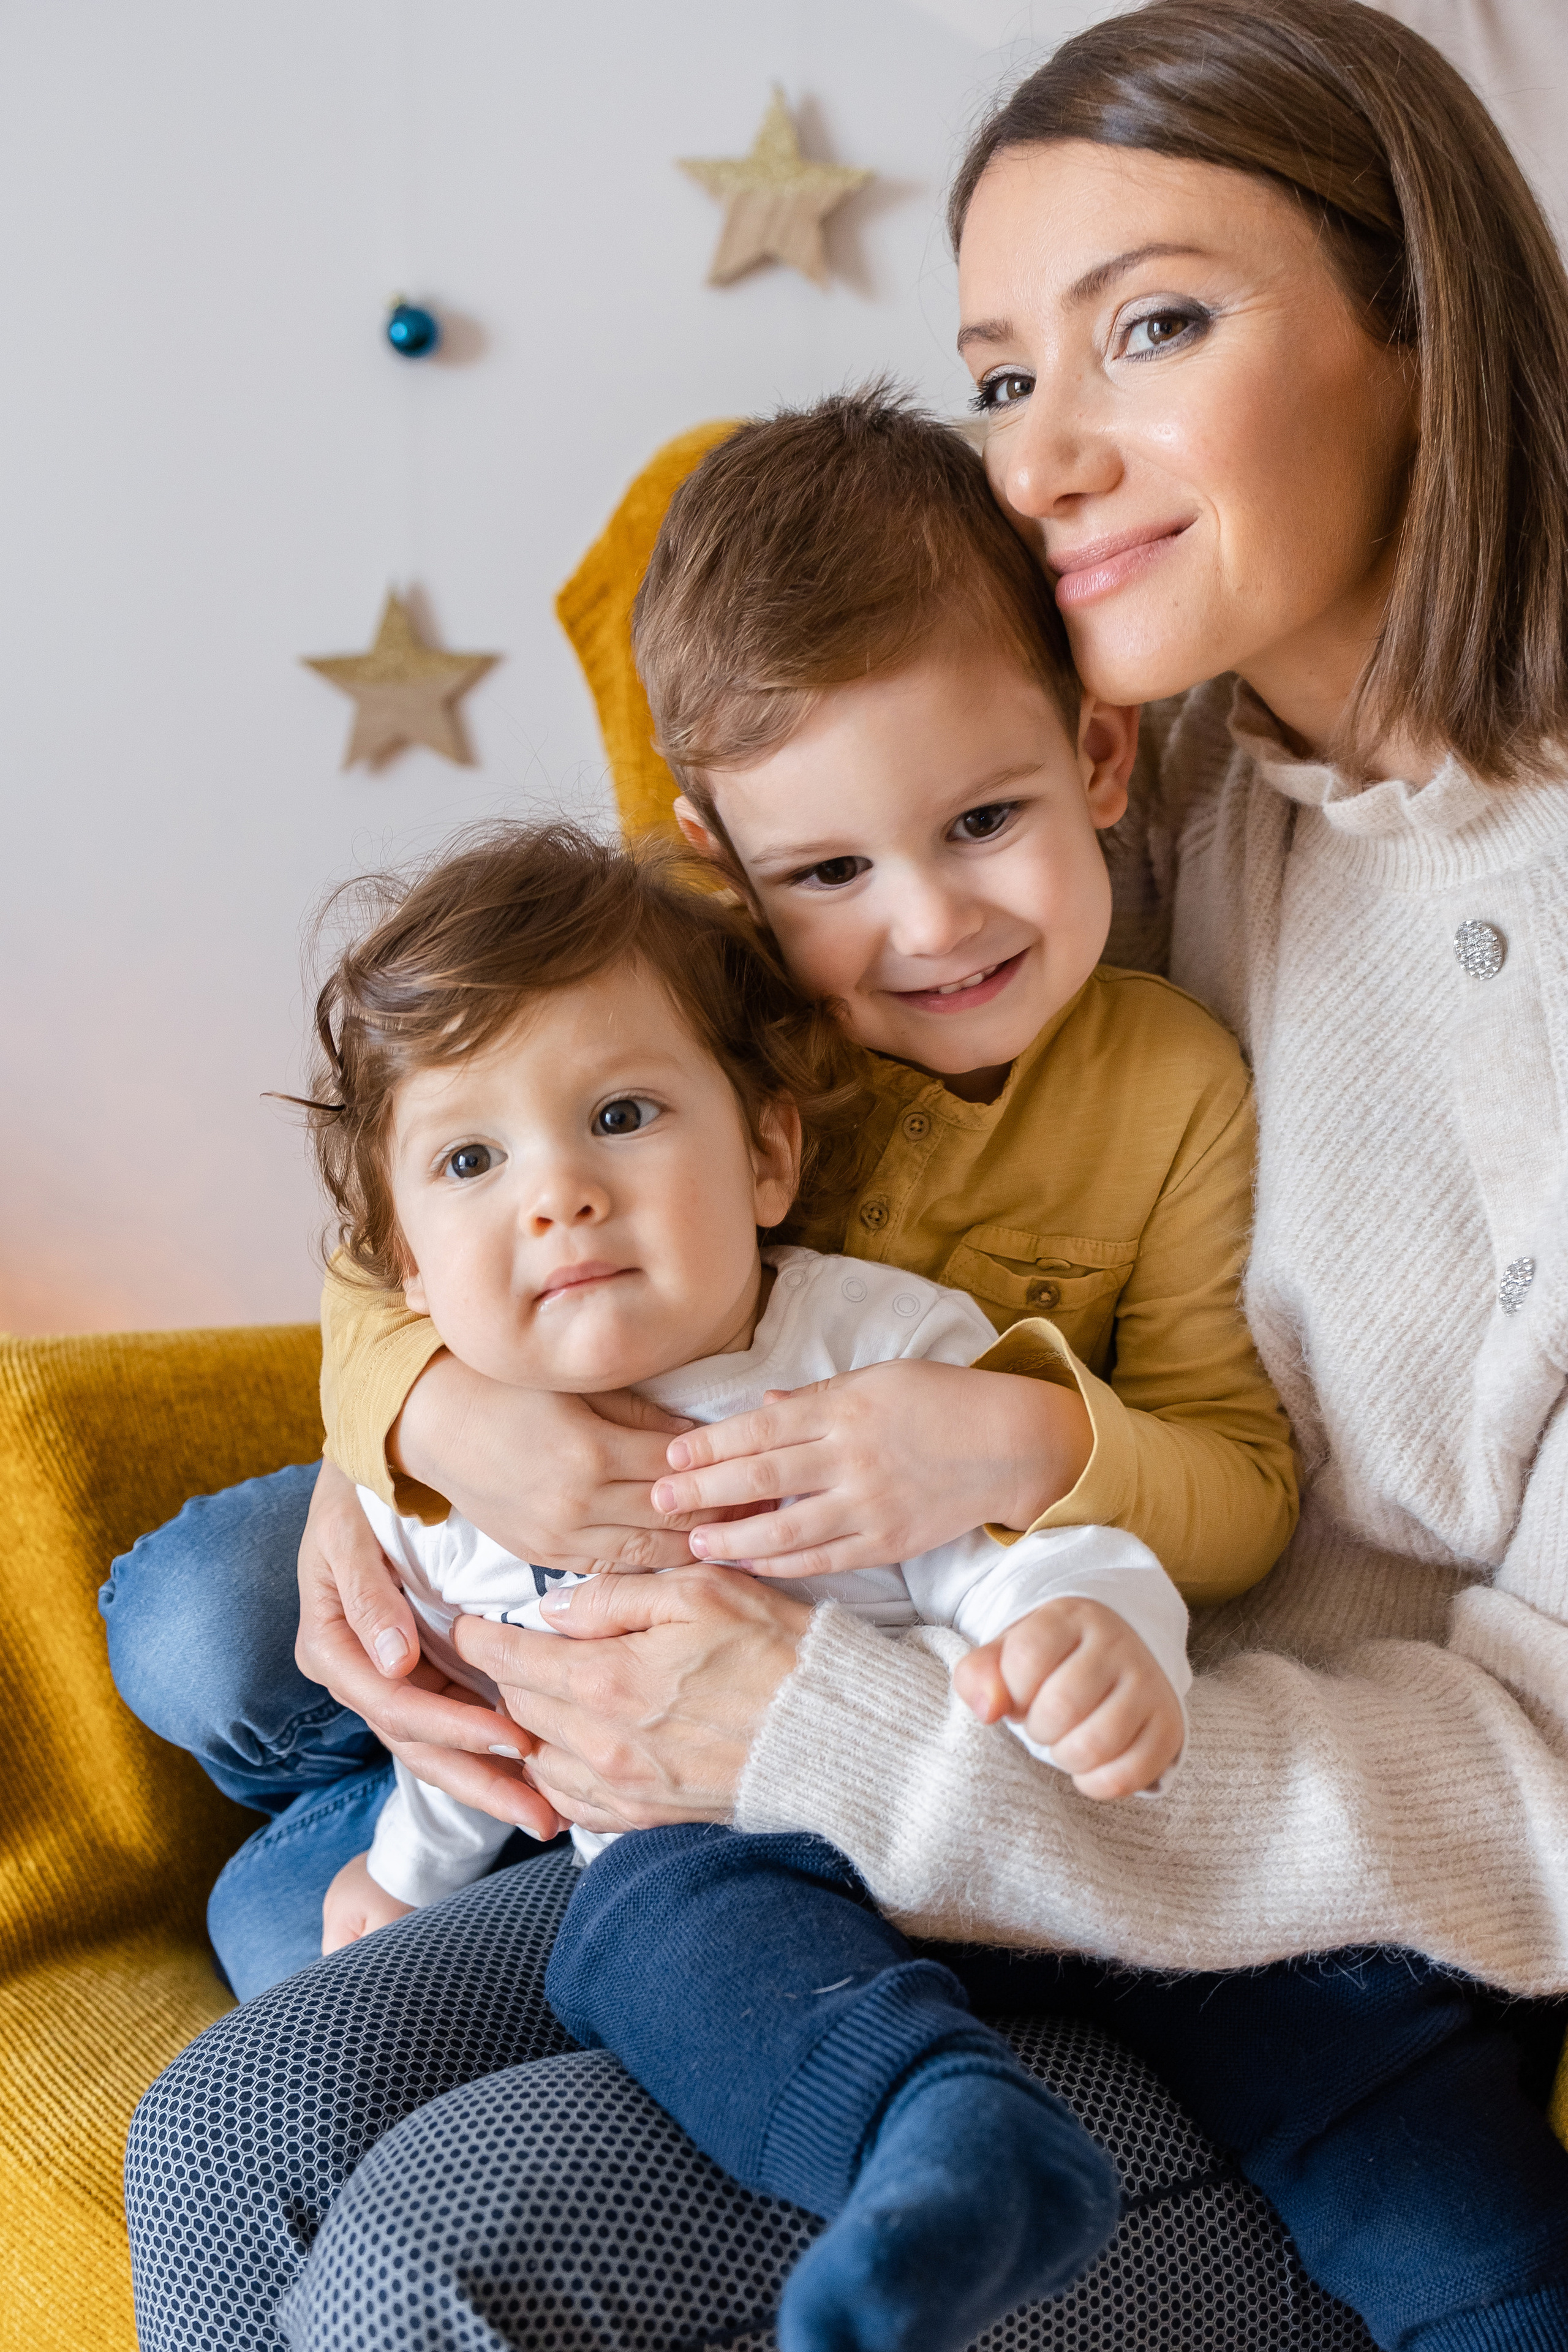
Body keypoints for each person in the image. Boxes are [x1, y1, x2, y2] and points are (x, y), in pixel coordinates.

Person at [113, 3, 1568, 2348]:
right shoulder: (1093, 773)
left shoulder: (1132, 832)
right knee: (224, 2136)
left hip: (1281, 1932)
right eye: (1002, 374)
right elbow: (530, 1093)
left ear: (1431, 328)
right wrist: (414, 1414)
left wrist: (831, 1718)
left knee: (423, 2262)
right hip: (871, 1772)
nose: (1049, 458)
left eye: (1156, 327)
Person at [300, 814, 1207, 2351]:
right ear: (403, 1267)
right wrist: (404, 1876)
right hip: (711, 1879)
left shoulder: (866, 1344)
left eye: (624, 1114)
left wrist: (1095, 1633)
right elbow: (488, 1714)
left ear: (771, 1152)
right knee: (634, 1921)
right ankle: (940, 2145)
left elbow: (1028, 1541)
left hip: (953, 1810)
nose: (557, 1195)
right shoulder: (445, 1472)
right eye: (471, 1159)